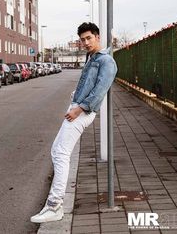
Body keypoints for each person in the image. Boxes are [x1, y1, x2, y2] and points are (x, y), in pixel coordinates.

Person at [30, 22, 117, 224]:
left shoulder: (106, 61)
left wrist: (79, 109)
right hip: (77, 108)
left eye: (89, 38)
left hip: (83, 112)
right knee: (57, 151)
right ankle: (53, 205)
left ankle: (55, 206)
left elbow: (100, 91)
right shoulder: (92, 57)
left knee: (61, 153)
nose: (85, 42)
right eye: (82, 39)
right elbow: (87, 84)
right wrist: (74, 99)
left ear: (97, 37)